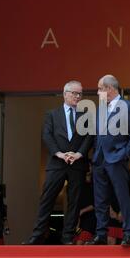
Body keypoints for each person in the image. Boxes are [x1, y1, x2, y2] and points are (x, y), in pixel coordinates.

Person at [26, 80, 93, 245]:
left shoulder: (86, 115)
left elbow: (90, 136)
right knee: (47, 199)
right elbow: (47, 136)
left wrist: (78, 154)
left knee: (74, 201)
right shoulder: (52, 114)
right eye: (74, 93)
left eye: (80, 94)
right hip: (57, 162)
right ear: (65, 94)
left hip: (77, 164)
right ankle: (37, 236)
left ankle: (68, 237)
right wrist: (60, 154)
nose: (77, 96)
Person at [86, 74, 130, 247]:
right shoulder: (101, 109)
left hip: (117, 158)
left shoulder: (128, 106)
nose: (98, 92)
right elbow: (97, 135)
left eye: (100, 89)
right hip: (99, 159)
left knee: (122, 195)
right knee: (100, 199)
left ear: (109, 88)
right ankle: (101, 233)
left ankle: (128, 232)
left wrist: (125, 154)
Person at [107, 169, 130, 245]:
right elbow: (103, 193)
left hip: (128, 210)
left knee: (128, 241)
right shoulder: (107, 173)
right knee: (111, 238)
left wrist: (123, 211)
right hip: (111, 210)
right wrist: (110, 210)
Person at [73, 164, 96, 245]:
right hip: (79, 219)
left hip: (91, 217)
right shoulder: (79, 184)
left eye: (90, 166)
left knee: (81, 242)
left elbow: (97, 203)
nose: (88, 168)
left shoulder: (96, 184)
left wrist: (82, 211)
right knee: (76, 241)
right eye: (86, 166)